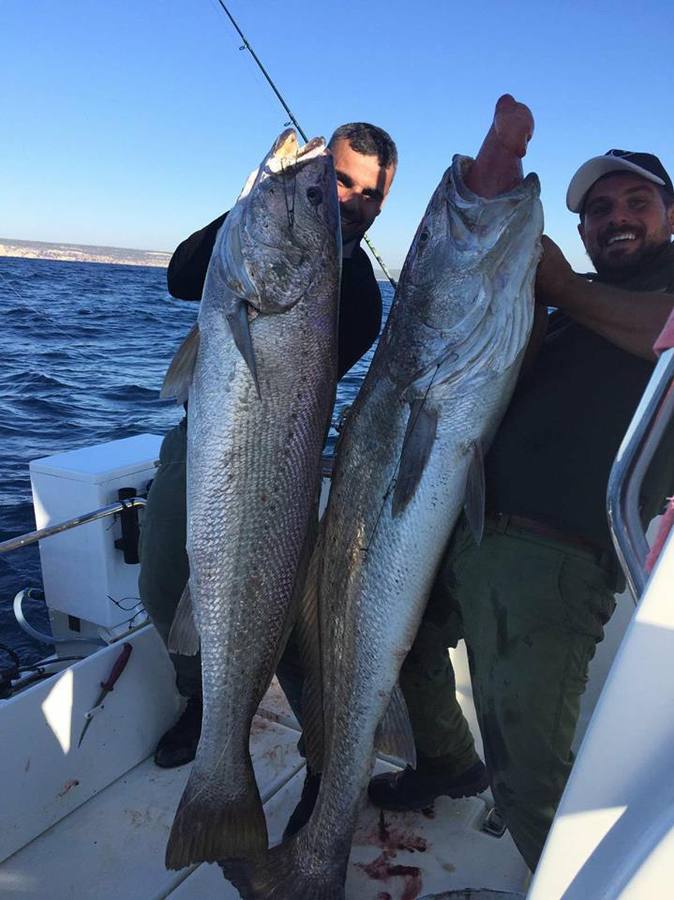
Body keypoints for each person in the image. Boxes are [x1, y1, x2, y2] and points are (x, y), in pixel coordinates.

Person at [367, 149, 674, 871]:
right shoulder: (577, 303)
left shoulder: (618, 294)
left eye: (636, 202)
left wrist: (561, 285)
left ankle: (572, 881)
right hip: (463, 521)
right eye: (598, 211)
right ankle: (446, 762)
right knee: (398, 646)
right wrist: (521, 297)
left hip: (554, 554)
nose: (616, 219)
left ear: (671, 215)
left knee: (528, 771)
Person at [138, 123, 398, 775]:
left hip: (276, 456)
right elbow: (180, 277)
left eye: (370, 195)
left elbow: (302, 374)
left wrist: (283, 216)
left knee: (287, 609)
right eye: (336, 182)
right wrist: (263, 202)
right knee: (164, 574)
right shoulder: (258, 233)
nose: (351, 202)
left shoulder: (361, 294)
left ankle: (324, 759)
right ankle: (204, 701)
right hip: (206, 437)